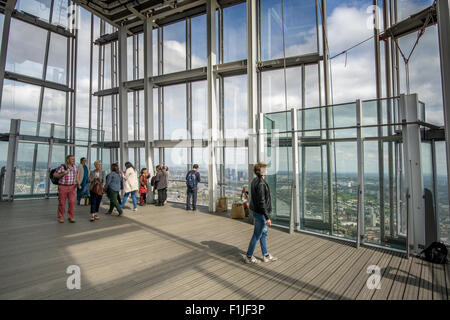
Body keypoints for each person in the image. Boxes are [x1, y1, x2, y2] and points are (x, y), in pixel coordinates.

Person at [244, 162, 277, 264]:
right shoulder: (261, 183)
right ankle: (249, 256)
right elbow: (262, 202)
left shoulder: (255, 181)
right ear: (262, 171)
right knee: (257, 235)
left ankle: (266, 255)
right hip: (261, 213)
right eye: (265, 169)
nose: (266, 170)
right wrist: (267, 217)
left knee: (263, 234)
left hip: (257, 212)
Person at [53, 155, 80, 223]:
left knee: (72, 202)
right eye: (72, 159)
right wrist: (62, 173)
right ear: (67, 160)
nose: (74, 160)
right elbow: (55, 175)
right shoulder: (62, 167)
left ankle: (71, 216)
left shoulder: (75, 167)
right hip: (63, 186)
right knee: (62, 202)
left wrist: (78, 183)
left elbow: (76, 176)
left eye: (74, 159)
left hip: (72, 187)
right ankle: (61, 217)